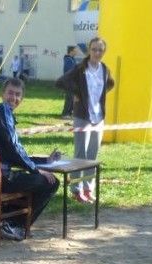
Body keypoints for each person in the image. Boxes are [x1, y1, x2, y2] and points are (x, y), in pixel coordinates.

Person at [0, 77, 60, 241]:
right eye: (10, 93)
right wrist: (37, 170)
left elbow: (12, 153)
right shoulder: (2, 111)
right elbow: (14, 149)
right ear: (2, 94)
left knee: (35, 179)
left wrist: (44, 161)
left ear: (21, 99)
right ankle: (12, 224)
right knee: (51, 182)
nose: (13, 98)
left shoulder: (3, 113)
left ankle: (0, 219)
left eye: (17, 95)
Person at [54, 36, 115, 203]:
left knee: (92, 155)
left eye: (100, 50)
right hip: (82, 116)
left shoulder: (104, 69)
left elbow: (110, 84)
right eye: (94, 49)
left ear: (104, 52)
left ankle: (88, 188)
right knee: (80, 154)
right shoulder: (80, 68)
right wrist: (77, 93)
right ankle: (76, 189)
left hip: (98, 117)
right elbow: (61, 82)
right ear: (89, 50)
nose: (97, 52)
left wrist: (98, 96)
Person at [60, 46, 77, 119]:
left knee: (73, 98)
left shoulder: (72, 60)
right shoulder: (68, 60)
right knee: (69, 98)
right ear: (71, 51)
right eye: (75, 51)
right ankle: (65, 113)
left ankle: (70, 113)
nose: (76, 52)